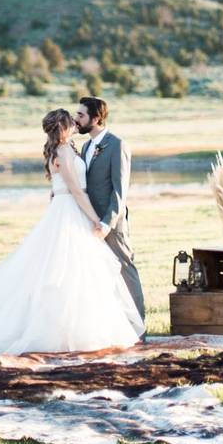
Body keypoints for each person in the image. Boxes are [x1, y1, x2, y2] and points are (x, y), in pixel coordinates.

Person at [0, 109, 144, 356]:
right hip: (70, 210)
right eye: (72, 121)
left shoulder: (65, 149)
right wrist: (97, 220)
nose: (75, 124)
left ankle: (74, 329)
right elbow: (76, 191)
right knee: (65, 272)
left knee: (75, 272)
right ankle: (63, 333)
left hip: (66, 210)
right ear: (64, 127)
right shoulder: (62, 151)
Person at [75, 96, 145, 321]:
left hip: (110, 223)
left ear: (95, 119)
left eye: (81, 115)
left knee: (125, 268)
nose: (76, 119)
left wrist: (107, 222)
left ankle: (138, 325)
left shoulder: (118, 145)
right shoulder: (86, 146)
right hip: (90, 221)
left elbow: (120, 189)